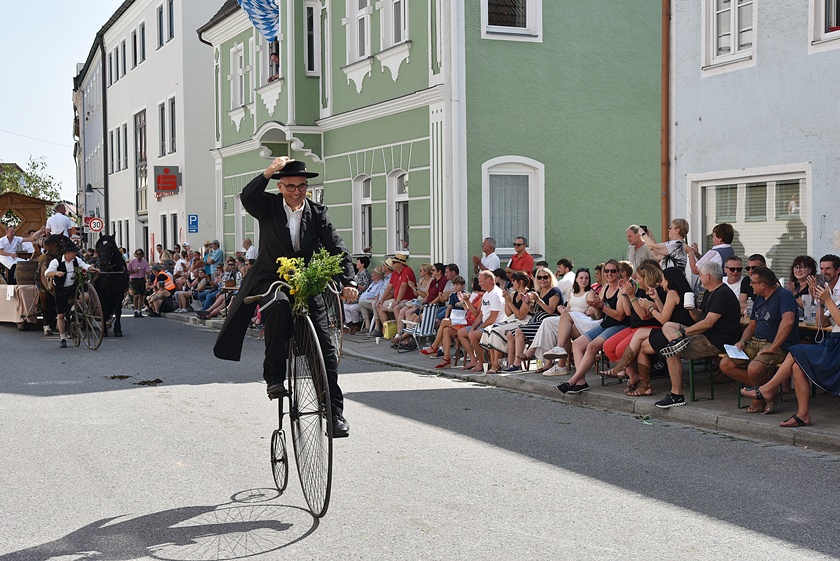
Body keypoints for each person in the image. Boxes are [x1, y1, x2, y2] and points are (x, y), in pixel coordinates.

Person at [213, 157, 358, 438]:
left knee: (326, 349)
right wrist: (269, 170)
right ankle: (274, 378)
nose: (296, 191)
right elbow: (247, 196)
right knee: (278, 306)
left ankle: (334, 414)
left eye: (301, 186)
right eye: (290, 186)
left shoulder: (317, 212)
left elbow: (336, 247)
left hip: (306, 280)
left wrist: (349, 281)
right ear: (280, 187)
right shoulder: (267, 206)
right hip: (272, 277)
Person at [740, 283, 840, 428]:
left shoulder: (833, 299)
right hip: (832, 343)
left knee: (795, 351)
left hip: (836, 349)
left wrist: (829, 300)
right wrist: (821, 303)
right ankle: (803, 415)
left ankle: (767, 389)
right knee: (797, 367)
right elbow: (822, 323)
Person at [650, 260, 742, 408]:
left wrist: (683, 332)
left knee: (672, 352)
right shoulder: (710, 292)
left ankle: (676, 395)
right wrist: (691, 309)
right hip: (706, 335)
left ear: (708, 276)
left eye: (700, 275)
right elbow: (700, 318)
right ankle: (677, 342)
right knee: (668, 325)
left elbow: (708, 323)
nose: (699, 278)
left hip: (717, 341)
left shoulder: (723, 294)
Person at [718, 266, 798, 413]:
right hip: (755, 342)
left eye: (753, 282)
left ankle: (759, 397)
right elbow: (752, 326)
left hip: (777, 344)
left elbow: (788, 321)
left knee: (754, 368)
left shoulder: (784, 295)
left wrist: (774, 347)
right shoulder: (759, 298)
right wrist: (742, 340)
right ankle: (767, 390)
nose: (750, 285)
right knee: (725, 364)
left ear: (762, 285)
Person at [557, 260, 630, 394]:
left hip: (619, 325)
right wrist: (594, 310)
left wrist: (600, 306)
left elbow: (620, 316)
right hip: (604, 323)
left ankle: (572, 381)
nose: (609, 273)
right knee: (577, 344)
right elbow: (599, 314)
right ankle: (581, 382)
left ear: (619, 272)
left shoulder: (621, 289)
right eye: (606, 271)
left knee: (591, 346)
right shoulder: (605, 288)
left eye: (613, 271)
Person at [45, 243, 97, 348]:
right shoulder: (56, 262)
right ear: (67, 253)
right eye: (74, 252)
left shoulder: (76, 260)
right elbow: (47, 273)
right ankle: (62, 338)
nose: (75, 254)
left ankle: (73, 308)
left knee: (86, 296)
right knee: (61, 315)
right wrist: (56, 273)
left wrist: (92, 269)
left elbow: (85, 266)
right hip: (61, 289)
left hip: (73, 287)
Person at [457, 270, 504, 373]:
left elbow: (492, 318)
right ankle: (474, 359)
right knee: (461, 332)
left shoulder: (496, 294)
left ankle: (482, 362)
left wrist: (477, 329)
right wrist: (473, 327)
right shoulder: (486, 294)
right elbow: (480, 315)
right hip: (484, 324)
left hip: (495, 325)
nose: (479, 284)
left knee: (473, 335)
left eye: (481, 281)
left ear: (489, 280)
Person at [127, 249, 152, 317]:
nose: (138, 255)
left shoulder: (144, 262)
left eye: (140, 254)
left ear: (142, 255)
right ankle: (135, 310)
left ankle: (139, 311)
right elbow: (128, 271)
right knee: (136, 296)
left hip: (141, 279)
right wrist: (134, 271)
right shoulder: (132, 262)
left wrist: (149, 279)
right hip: (134, 279)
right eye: (137, 254)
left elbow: (148, 271)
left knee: (141, 296)